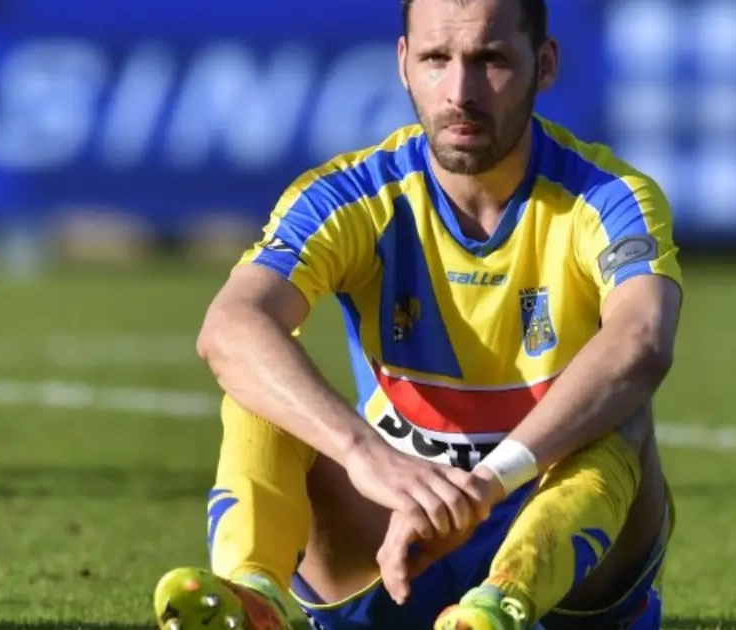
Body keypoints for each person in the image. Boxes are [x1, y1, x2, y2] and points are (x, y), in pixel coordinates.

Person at [152, 0, 684, 628]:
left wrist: (489, 482)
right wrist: (366, 456)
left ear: (544, 65)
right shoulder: (351, 195)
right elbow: (230, 326)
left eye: (490, 60)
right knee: (260, 380)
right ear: (404, 64)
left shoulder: (608, 196)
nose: (460, 92)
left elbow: (641, 339)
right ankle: (251, 599)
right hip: (392, 532)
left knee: (623, 412)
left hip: (561, 550)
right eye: (436, 58)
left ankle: (501, 608)